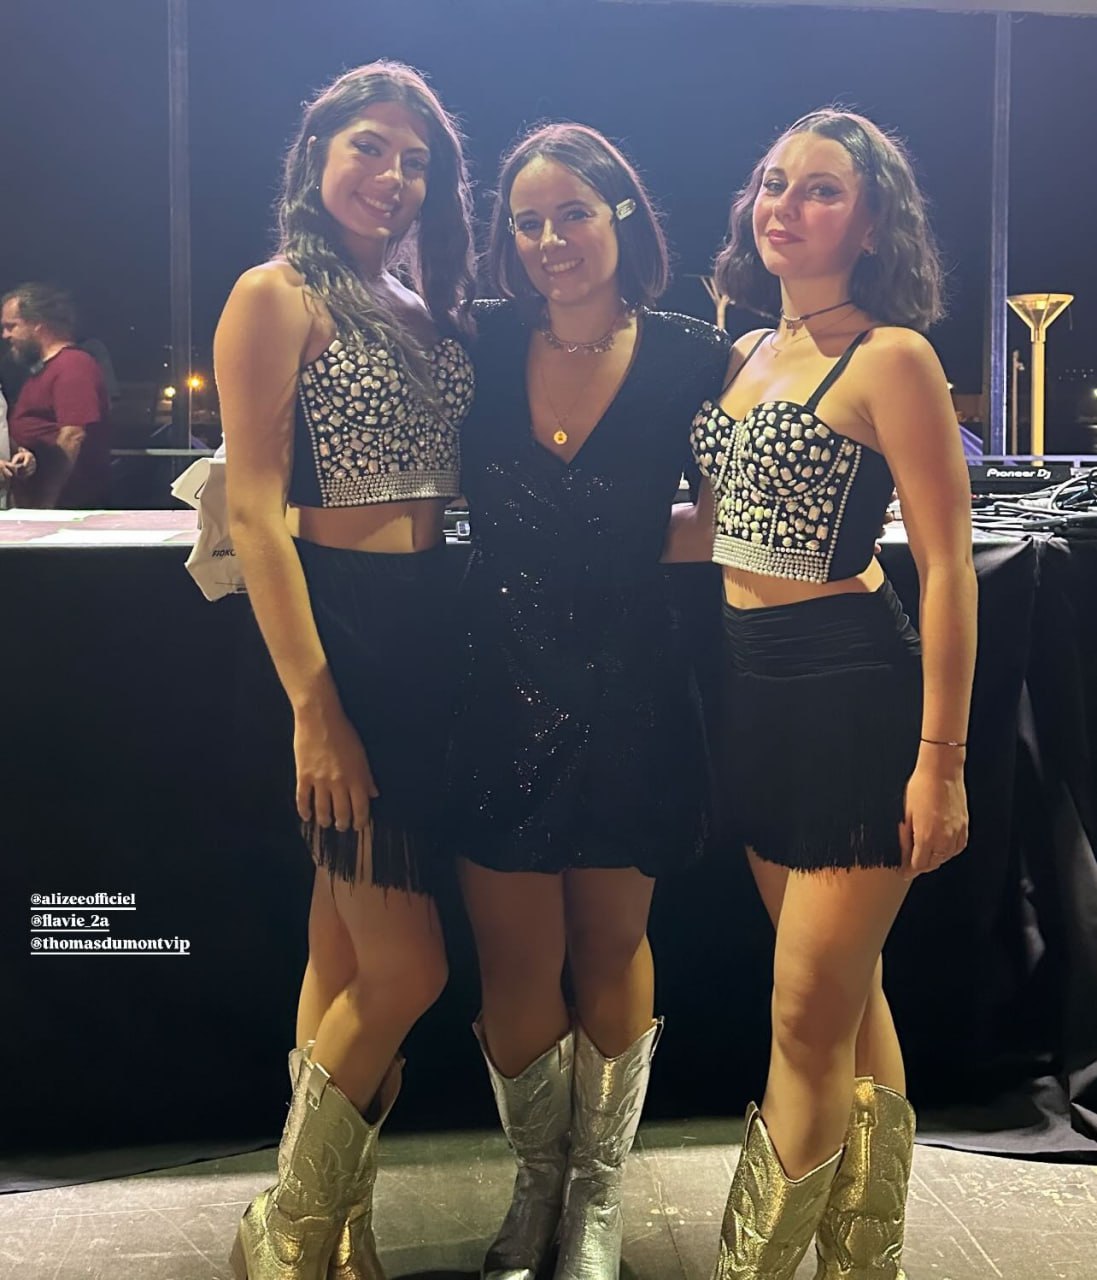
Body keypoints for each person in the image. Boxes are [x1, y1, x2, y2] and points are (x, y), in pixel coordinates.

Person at [677, 109, 976, 1278]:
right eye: (772, 183)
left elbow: (944, 566)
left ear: (871, 224)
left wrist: (939, 761)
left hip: (853, 695)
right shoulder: (745, 348)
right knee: (848, 1003)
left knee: (802, 1019)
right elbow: (721, 529)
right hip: (751, 694)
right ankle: (862, 1261)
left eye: (819, 189)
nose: (783, 206)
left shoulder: (891, 357)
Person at [448, 123, 731, 1280]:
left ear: (621, 215)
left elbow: (720, 516)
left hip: (632, 681)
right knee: (513, 956)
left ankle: (597, 1193)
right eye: (526, 221)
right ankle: (537, 1184)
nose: (549, 238)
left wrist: (610, 547)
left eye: (572, 212)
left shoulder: (690, 352)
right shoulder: (476, 338)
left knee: (611, 945)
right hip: (495, 677)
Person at [213, 61, 475, 1280]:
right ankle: (286, 1219)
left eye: (415, 160)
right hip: (344, 639)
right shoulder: (274, 294)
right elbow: (254, 514)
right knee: (411, 967)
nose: (392, 175)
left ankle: (333, 1220)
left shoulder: (416, 299)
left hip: (429, 634)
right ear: (316, 153)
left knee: (346, 954)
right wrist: (314, 707)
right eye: (369, 146)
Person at [1, 283, 111, 508]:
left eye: (11, 326)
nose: (5, 335)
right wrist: (23, 453)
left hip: (65, 509)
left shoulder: (73, 365)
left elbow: (73, 435)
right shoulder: (43, 370)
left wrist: (46, 502)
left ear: (38, 324)